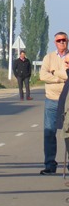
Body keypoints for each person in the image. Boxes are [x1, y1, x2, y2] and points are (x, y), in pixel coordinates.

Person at [38, 32, 68, 175]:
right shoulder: (48, 57)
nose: (62, 43)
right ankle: (50, 164)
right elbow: (43, 75)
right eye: (59, 40)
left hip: (67, 101)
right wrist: (59, 79)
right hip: (51, 99)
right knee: (49, 133)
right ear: (55, 43)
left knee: (67, 133)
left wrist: (56, 72)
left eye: (64, 40)